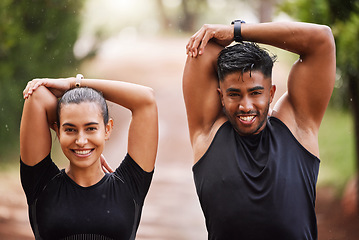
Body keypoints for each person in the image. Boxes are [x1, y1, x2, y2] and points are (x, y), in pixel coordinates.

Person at [183, 21, 336, 239]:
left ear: (271, 93)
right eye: (234, 94)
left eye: (256, 93)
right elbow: (205, 46)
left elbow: (321, 38)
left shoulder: (298, 126)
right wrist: (226, 35)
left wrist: (237, 31)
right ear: (221, 97)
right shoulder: (208, 132)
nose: (246, 106)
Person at [20, 74, 158, 240]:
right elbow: (37, 95)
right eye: (70, 129)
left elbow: (146, 99)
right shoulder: (41, 182)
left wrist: (73, 83)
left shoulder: (130, 185)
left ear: (107, 129)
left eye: (91, 129)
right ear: (57, 130)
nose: (81, 141)